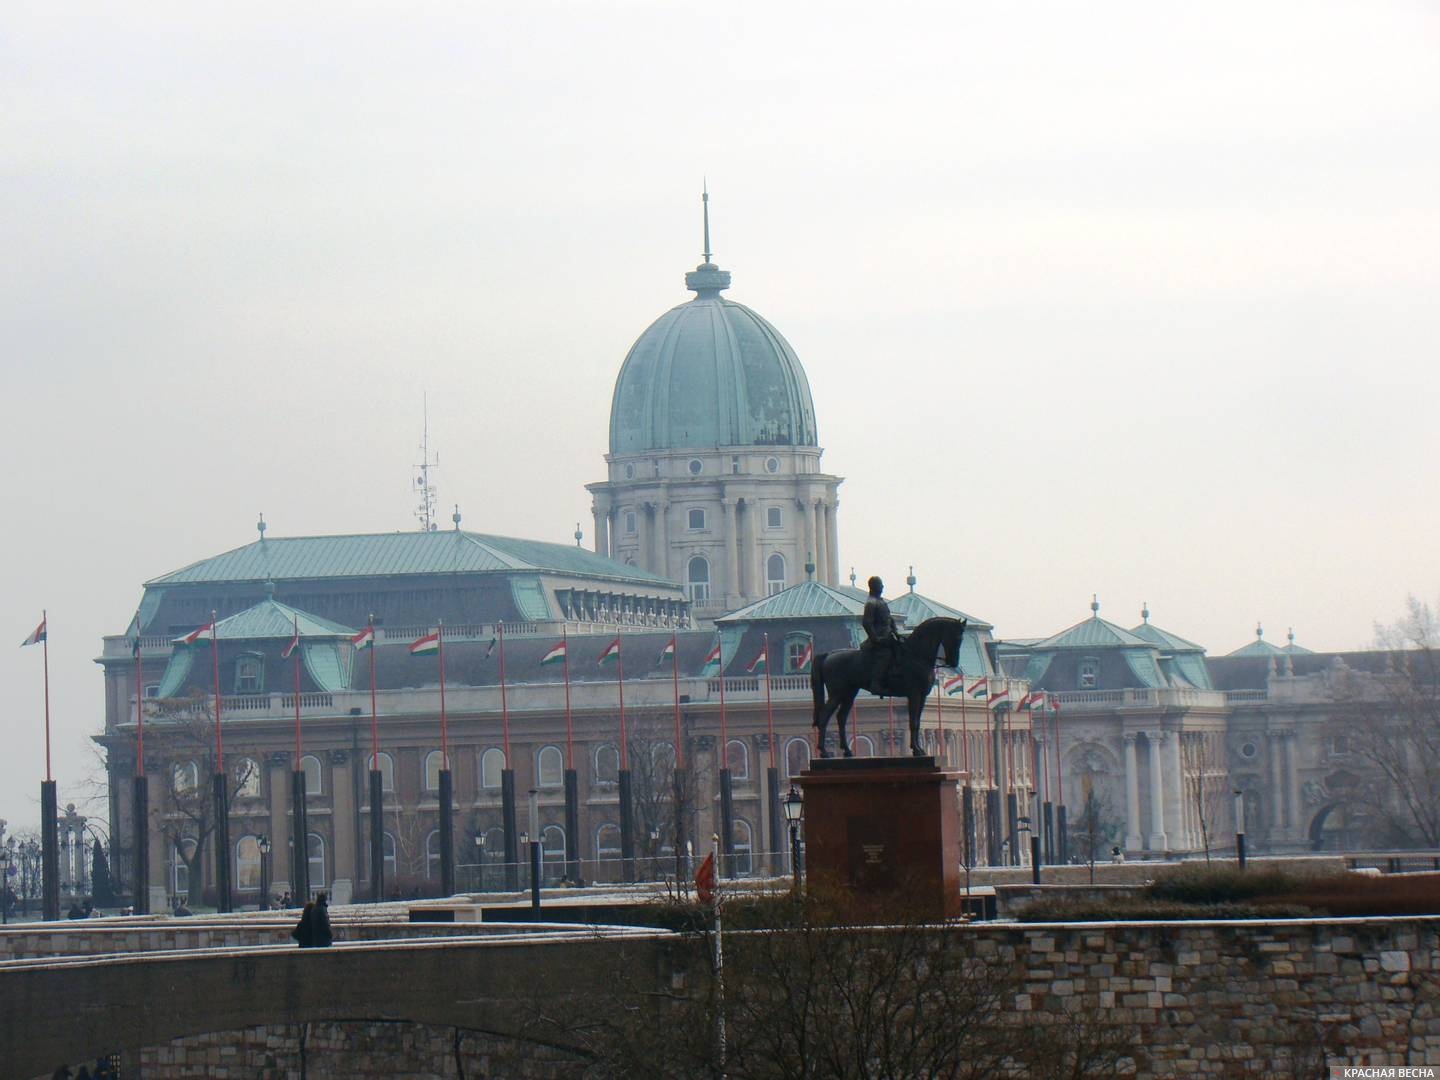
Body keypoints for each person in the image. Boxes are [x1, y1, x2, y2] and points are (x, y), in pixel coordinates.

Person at [861, 575, 901, 695]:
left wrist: (896, 632)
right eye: (880, 584)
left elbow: (889, 619)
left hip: (888, 636)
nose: (882, 586)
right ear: (873, 587)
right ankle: (876, 683)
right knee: (886, 655)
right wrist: (876, 639)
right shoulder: (871, 603)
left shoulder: (880, 601)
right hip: (879, 639)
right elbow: (867, 623)